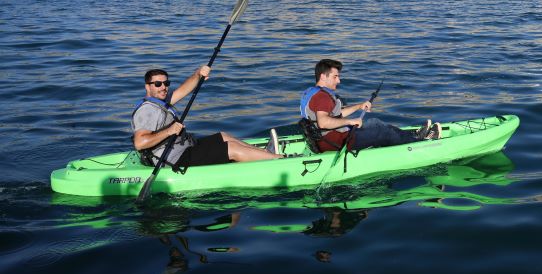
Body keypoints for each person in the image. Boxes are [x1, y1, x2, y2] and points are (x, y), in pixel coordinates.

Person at [132, 66, 282, 172]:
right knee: (231, 149)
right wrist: (169, 131)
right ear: (147, 87)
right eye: (158, 84)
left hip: (185, 147)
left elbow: (183, 90)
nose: (163, 87)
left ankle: (265, 154)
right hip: (174, 159)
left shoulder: (161, 102)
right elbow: (140, 143)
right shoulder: (147, 110)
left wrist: (197, 74)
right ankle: (279, 160)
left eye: (166, 83)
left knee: (223, 136)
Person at [299, 59, 440, 153]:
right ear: (323, 76)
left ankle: (413, 136)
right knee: (384, 132)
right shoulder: (322, 96)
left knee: (375, 122)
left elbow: (336, 116)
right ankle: (421, 144)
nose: (339, 80)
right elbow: (324, 122)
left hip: (331, 138)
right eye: (335, 76)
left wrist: (359, 106)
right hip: (337, 142)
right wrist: (351, 121)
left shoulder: (315, 93)